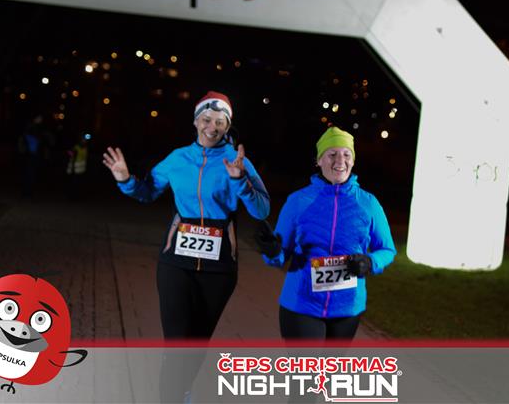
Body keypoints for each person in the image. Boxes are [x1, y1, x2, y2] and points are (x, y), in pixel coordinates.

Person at [102, 91, 270, 339]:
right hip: (176, 263)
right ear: (195, 121)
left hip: (219, 268)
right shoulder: (178, 158)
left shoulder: (238, 161)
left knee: (196, 345)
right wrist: (125, 180)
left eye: (220, 122)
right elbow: (147, 192)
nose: (212, 128)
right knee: (176, 342)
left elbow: (262, 210)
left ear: (227, 127)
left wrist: (240, 182)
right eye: (206, 120)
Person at [256, 126, 396, 340]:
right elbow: (279, 255)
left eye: (346, 154)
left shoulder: (368, 203)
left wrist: (370, 261)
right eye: (332, 154)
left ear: (353, 160)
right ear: (319, 160)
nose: (340, 161)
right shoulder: (298, 201)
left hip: (347, 308)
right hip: (302, 304)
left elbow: (387, 249)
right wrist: (272, 251)